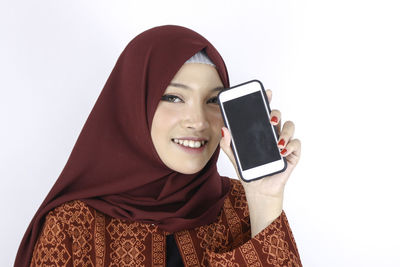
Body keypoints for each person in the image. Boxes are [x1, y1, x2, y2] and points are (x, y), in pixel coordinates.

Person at [14, 25, 302, 267]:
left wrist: (265, 198)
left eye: (213, 101)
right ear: (132, 107)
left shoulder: (242, 206)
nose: (198, 121)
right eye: (174, 98)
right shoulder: (72, 225)